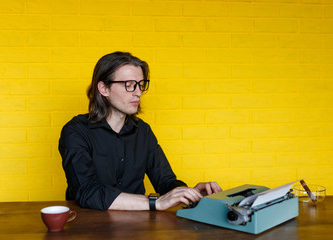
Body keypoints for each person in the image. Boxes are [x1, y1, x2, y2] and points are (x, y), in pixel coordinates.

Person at [59, 51, 222, 211]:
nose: (138, 93)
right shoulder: (75, 131)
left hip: (136, 225)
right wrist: (155, 203)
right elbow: (88, 192)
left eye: (140, 85)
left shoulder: (143, 131)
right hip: (87, 227)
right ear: (104, 89)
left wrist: (187, 193)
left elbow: (165, 181)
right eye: (128, 85)